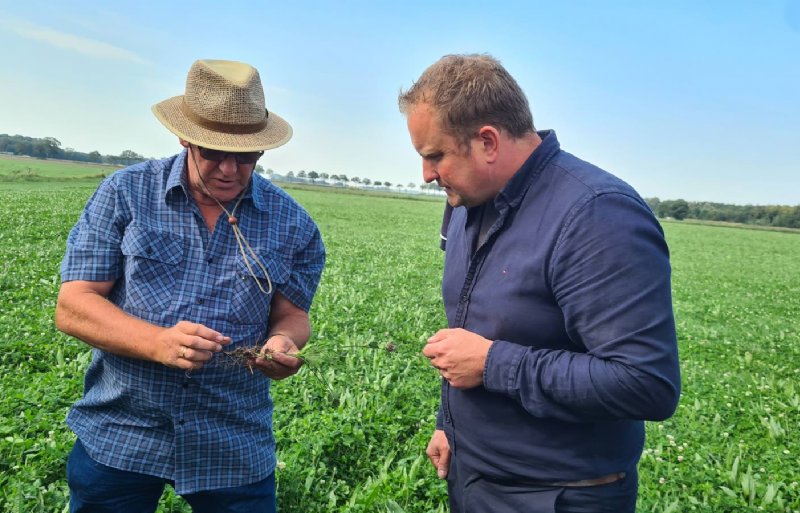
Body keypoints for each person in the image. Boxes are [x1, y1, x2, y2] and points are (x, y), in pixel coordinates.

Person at [399, 54, 681, 512]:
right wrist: (448, 422)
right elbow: (472, 325)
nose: (427, 174)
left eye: (435, 156)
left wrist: (494, 364)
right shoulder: (467, 204)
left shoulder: (596, 214)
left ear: (487, 141)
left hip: (557, 495)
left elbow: (645, 382)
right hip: (474, 476)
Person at [55, 59, 325, 513]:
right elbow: (74, 304)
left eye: (245, 157)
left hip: (232, 437)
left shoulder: (294, 224)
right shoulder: (125, 194)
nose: (228, 169)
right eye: (213, 153)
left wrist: (283, 343)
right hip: (124, 427)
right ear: (185, 138)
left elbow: (292, 315)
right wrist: (158, 342)